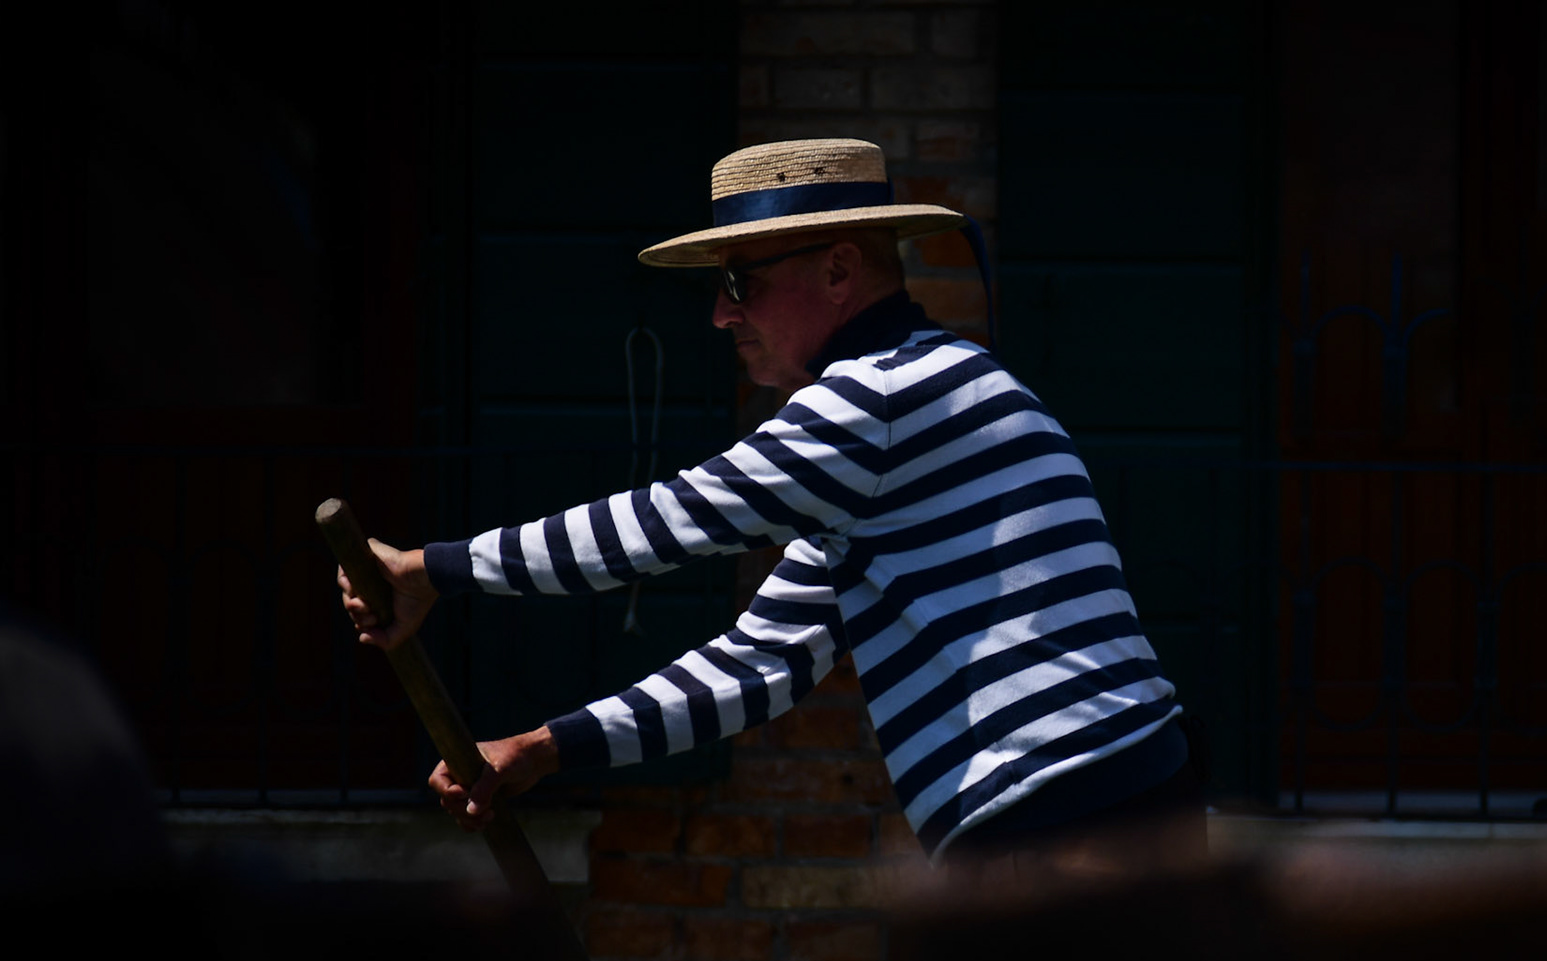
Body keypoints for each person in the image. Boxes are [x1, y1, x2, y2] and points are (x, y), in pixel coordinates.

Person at [338, 137, 1204, 871]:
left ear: (839, 269)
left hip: (1056, 808)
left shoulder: (876, 399)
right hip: (1109, 794)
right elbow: (761, 665)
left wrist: (428, 570)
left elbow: (661, 525)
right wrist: (540, 750)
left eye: (740, 281)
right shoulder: (910, 415)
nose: (721, 316)